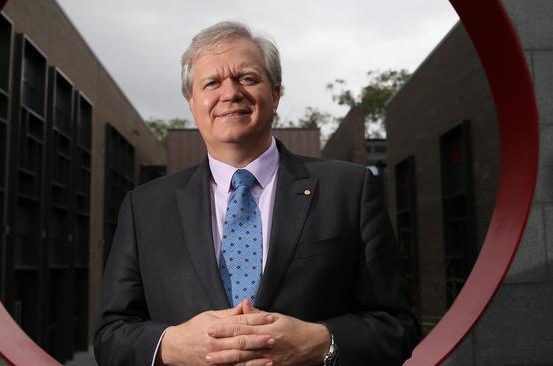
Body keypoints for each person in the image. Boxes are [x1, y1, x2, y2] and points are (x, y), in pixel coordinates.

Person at [95, 21, 419, 366]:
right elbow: (111, 335)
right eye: (212, 82)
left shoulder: (349, 190)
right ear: (192, 101)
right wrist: (170, 345)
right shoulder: (143, 208)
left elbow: (397, 326)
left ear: (276, 94)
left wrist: (320, 342)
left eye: (247, 78)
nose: (231, 92)